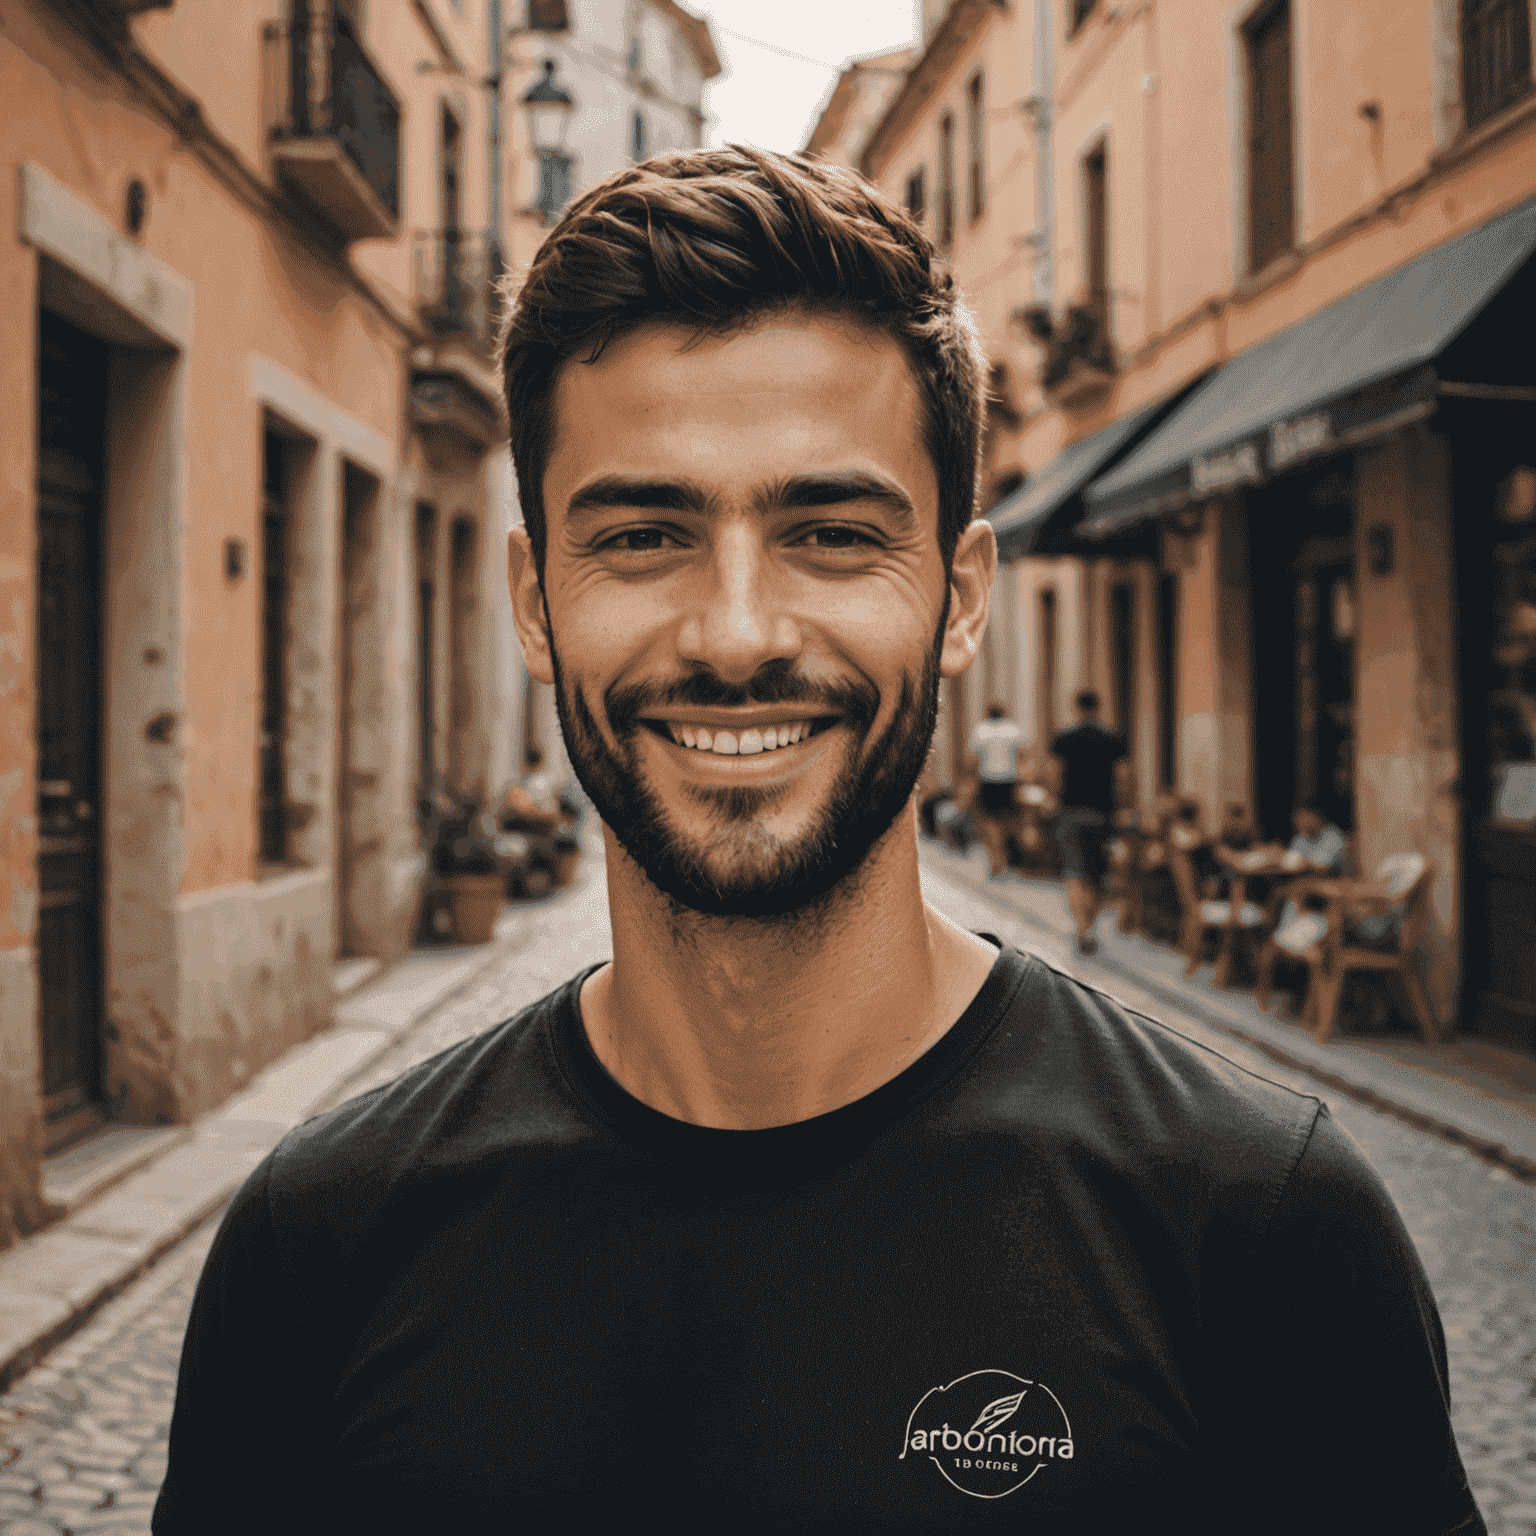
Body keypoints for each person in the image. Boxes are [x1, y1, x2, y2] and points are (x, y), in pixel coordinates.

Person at [154, 149, 1484, 1535]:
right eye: (645, 534)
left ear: (959, 599)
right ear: (534, 600)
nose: (737, 634)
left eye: (834, 533)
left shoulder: (1254, 1230)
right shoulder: (320, 1249)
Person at [1048, 689, 1131, 955]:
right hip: (1102, 815)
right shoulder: (1112, 738)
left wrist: (1054, 799)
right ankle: (1090, 928)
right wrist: (1124, 806)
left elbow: (1053, 774)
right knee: (1097, 876)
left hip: (1071, 812)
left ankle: (1082, 928)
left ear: (1076, 707)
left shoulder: (1064, 738)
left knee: (1074, 873)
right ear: (1098, 707)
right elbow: (1124, 777)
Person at [969, 702, 1024, 875]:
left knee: (989, 821)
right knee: (1009, 820)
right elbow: (1022, 754)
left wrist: (970, 780)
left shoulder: (981, 730)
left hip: (988, 780)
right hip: (1009, 780)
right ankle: (1006, 857)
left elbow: (973, 759)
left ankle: (996, 857)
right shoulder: (1012, 729)